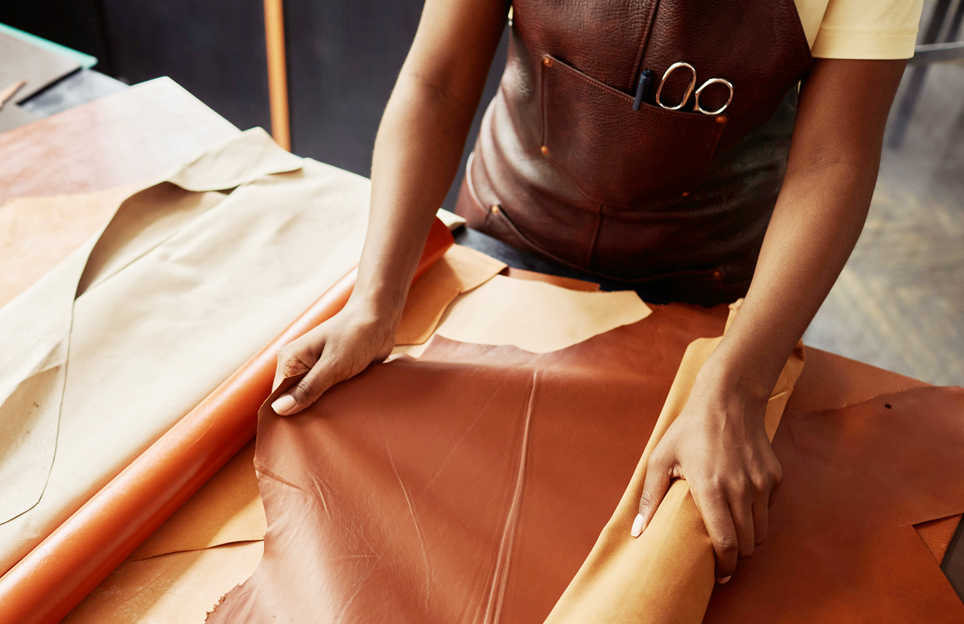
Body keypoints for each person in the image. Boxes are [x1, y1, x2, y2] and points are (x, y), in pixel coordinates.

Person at [270, 0, 923, 582]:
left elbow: (833, 160)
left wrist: (736, 385)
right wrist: (375, 303)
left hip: (709, 286)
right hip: (510, 236)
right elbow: (435, 82)